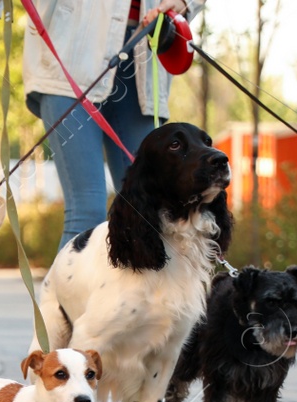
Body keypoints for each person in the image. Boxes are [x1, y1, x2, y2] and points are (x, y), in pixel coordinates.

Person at [23, 0, 192, 249]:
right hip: (69, 53)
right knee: (87, 210)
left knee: (149, 211)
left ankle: (137, 289)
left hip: (143, 53)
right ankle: (72, 288)